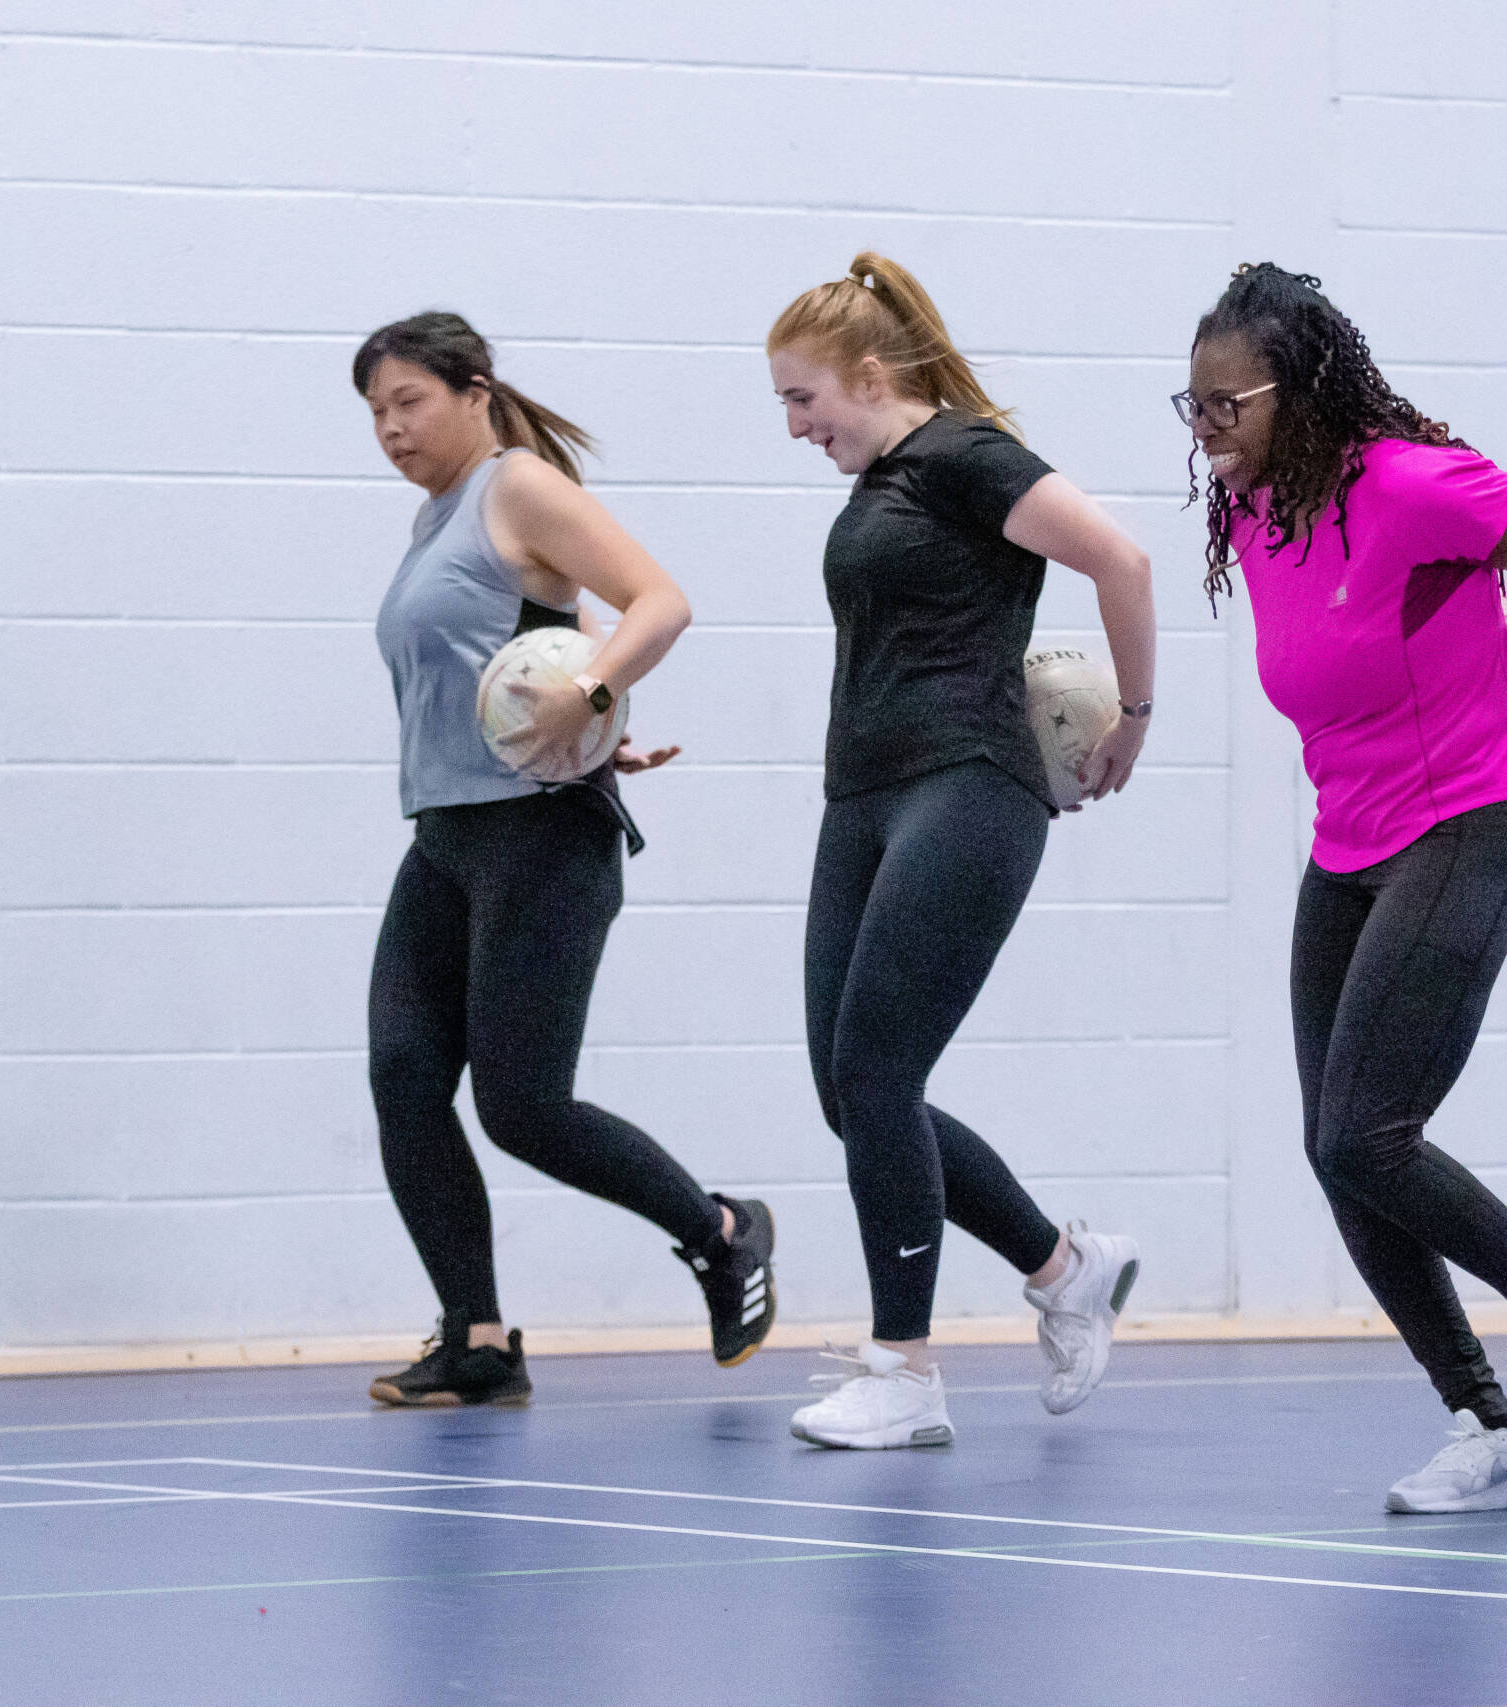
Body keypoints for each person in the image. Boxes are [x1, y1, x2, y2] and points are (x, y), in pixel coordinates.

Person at [1182, 263, 1507, 1511]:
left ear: (1293, 396)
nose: (1202, 433)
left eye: (1221, 406)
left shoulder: (1409, 488)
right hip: (1348, 841)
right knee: (1335, 1147)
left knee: (1368, 1132)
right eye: (1186, 407)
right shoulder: (1255, 515)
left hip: (1473, 818)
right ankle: (1481, 1418)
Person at [764, 253, 1155, 1450]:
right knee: (853, 1091)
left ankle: (903, 1370)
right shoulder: (883, 480)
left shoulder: (965, 456)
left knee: (877, 1073)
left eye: (801, 399)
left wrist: (1132, 717)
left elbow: (1119, 561)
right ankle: (1063, 1267)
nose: (793, 428)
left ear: (869, 374)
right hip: (864, 798)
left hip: (966, 789)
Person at [355, 311, 775, 1406]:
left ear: (473, 389)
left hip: (540, 839)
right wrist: (594, 723)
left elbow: (659, 601)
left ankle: (722, 1231)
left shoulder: (519, 486)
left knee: (522, 1107)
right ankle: (477, 1339)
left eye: (408, 401)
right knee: (405, 1080)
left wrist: (588, 704)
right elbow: (542, 652)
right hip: (446, 835)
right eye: (374, 414)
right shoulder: (436, 523)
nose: (390, 428)